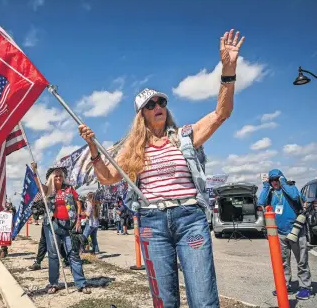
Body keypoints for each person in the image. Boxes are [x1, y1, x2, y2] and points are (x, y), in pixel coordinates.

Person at [78, 29, 245, 307]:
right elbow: (106, 178)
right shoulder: (133, 150)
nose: (158, 106)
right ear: (141, 114)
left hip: (189, 218)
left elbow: (220, 114)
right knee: (164, 301)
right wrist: (93, 148)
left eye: (161, 102)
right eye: (150, 104)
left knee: (203, 299)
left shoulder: (184, 136)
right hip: (152, 223)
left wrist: (228, 70)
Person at [30, 162, 91, 294]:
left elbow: (77, 202)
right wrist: (34, 171)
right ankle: (53, 283)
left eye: (60, 176)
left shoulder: (69, 188)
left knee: (73, 254)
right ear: (52, 177)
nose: (59, 178)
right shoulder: (48, 189)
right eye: (56, 176)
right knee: (53, 254)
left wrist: (79, 220)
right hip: (52, 225)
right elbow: (39, 185)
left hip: (69, 226)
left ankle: (81, 283)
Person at [258, 169, 312, 300]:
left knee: (301, 260)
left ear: (281, 178)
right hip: (280, 233)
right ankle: (285, 285)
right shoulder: (270, 193)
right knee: (283, 262)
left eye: (277, 179)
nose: (275, 182)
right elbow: (260, 202)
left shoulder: (290, 188)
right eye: (272, 180)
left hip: (296, 231)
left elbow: (295, 197)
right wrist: (266, 186)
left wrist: (284, 182)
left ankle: (305, 287)